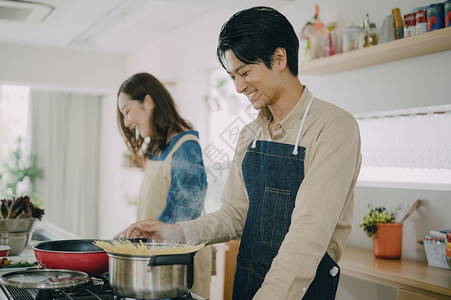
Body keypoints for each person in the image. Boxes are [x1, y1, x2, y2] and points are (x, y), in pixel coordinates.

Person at [126, 7, 362, 300]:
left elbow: (308, 235)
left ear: (279, 58)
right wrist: (174, 234)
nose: (238, 87)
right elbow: (234, 215)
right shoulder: (249, 134)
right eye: (232, 76)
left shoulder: (334, 127)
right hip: (247, 282)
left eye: (244, 72)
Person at [116, 72, 212, 298]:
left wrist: (136, 240)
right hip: (159, 262)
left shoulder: (186, 146)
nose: (127, 122)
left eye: (127, 111)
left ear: (148, 102)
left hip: (179, 266)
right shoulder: (159, 149)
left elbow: (183, 216)